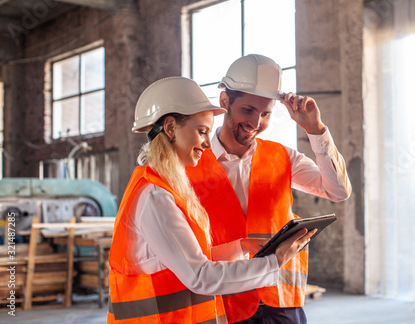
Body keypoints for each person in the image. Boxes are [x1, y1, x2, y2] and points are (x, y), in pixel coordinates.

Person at [107, 77, 317, 323]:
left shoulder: (165, 187)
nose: (208, 143)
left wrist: (239, 247)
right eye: (202, 131)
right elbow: (201, 276)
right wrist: (276, 260)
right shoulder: (155, 196)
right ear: (171, 127)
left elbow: (185, 257)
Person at [186, 55, 352, 323]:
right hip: (223, 299)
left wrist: (316, 129)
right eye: (248, 110)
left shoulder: (283, 157)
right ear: (225, 102)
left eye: (265, 114)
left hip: (280, 297)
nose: (255, 123)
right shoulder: (190, 162)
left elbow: (338, 191)